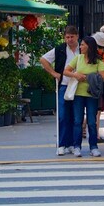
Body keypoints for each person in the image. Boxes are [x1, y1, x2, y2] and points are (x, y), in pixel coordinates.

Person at [39, 25, 81, 156]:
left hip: (79, 86)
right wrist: (54, 73)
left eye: (72, 37)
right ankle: (62, 144)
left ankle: (73, 144)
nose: (69, 40)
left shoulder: (82, 48)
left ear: (77, 36)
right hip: (64, 85)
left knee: (76, 117)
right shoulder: (60, 49)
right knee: (63, 116)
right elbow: (43, 59)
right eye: (67, 37)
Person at [63, 35, 104, 157]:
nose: (80, 47)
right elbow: (65, 71)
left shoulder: (98, 61)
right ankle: (77, 146)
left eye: (82, 45)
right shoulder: (78, 58)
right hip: (78, 94)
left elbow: (103, 76)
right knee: (78, 121)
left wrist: (87, 77)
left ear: (89, 46)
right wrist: (75, 75)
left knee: (92, 121)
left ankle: (94, 147)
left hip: (92, 94)